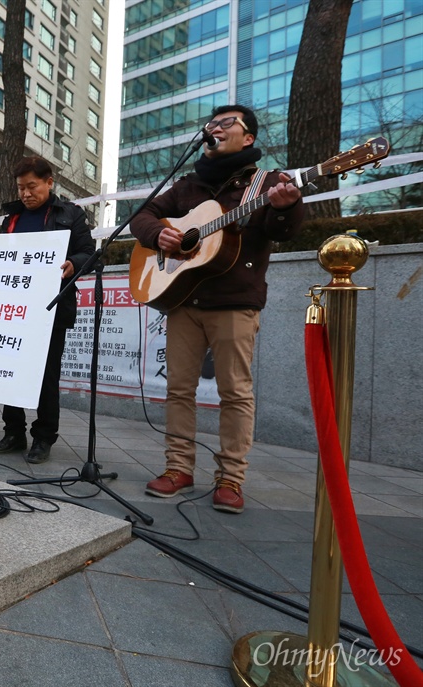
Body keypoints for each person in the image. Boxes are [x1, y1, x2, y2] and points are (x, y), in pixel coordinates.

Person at [132, 105, 303, 514]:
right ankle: (178, 468)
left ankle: (230, 478)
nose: (216, 128)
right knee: (178, 389)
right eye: (212, 123)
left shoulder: (267, 182)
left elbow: (284, 230)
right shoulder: (188, 185)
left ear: (248, 138)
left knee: (235, 393)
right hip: (184, 299)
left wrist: (285, 205)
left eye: (228, 123)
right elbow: (141, 217)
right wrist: (161, 235)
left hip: (234, 300)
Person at [0, 156, 96, 464]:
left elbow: (89, 253)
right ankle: (13, 432)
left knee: (46, 377)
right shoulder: (12, 219)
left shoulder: (70, 214)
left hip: (51, 310)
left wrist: (74, 263)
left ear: (49, 182)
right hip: (12, 309)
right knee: (8, 373)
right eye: (21, 188)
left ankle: (44, 437)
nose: (25, 194)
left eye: (32, 186)